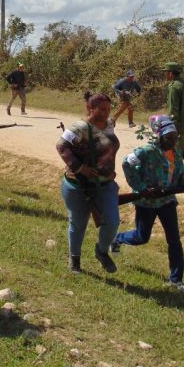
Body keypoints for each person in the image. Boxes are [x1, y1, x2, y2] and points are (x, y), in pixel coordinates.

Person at [114, 115, 184, 292]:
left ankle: (176, 280)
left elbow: (180, 172)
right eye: (169, 138)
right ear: (159, 136)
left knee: (174, 240)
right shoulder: (146, 151)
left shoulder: (176, 153)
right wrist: (141, 188)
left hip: (168, 201)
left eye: (175, 137)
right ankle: (117, 239)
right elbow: (126, 163)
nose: (173, 141)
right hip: (147, 203)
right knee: (141, 237)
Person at [56, 92, 120, 274]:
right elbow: (61, 146)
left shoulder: (109, 124)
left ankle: (101, 251)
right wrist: (79, 167)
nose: (106, 112)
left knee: (113, 222)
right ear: (90, 108)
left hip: (105, 184)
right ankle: (74, 260)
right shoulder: (79, 127)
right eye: (102, 109)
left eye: (108, 109)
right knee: (78, 223)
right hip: (79, 185)